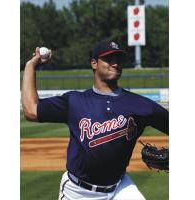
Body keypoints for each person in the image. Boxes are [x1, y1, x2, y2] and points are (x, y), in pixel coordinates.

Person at [21, 41, 169, 200]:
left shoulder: (140, 105)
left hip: (120, 187)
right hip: (77, 192)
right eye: (109, 59)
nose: (115, 63)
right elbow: (31, 111)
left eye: (118, 59)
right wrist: (31, 66)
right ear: (94, 63)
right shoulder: (74, 101)